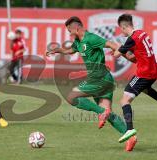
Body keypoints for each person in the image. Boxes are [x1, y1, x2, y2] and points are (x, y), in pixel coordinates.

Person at [46, 16, 137, 151]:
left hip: (99, 78)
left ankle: (101, 112)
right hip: (105, 80)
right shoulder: (78, 42)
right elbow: (69, 51)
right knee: (110, 114)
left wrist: (125, 54)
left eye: (70, 30)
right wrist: (57, 50)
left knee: (71, 97)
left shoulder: (91, 38)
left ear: (77, 28)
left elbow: (111, 44)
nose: (69, 33)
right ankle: (130, 137)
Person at [112, 14, 157, 143]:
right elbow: (135, 57)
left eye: (121, 29)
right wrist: (127, 53)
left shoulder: (131, 39)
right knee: (145, 89)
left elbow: (117, 54)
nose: (121, 31)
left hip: (144, 73)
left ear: (124, 27)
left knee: (124, 101)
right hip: (154, 71)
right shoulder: (142, 33)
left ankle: (129, 129)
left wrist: (116, 47)